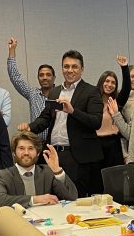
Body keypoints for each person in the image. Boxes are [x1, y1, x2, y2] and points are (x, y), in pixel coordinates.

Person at [18, 50, 104, 197]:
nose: (70, 70)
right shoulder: (55, 91)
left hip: (77, 156)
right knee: (54, 196)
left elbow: (96, 122)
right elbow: (45, 118)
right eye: (66, 66)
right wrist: (30, 127)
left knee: (76, 197)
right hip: (54, 154)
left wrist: (72, 111)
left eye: (74, 67)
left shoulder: (91, 91)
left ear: (82, 69)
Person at [0, 132, 78, 208]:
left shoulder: (47, 172)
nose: (26, 153)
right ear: (13, 153)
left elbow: (72, 197)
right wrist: (34, 199)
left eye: (31, 148)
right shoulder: (2, 175)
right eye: (21, 148)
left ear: (38, 153)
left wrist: (57, 170)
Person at [7, 37, 56, 139]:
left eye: (48, 75)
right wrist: (12, 50)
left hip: (56, 144)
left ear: (54, 78)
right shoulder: (32, 93)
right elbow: (15, 78)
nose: (45, 78)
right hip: (36, 144)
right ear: (38, 78)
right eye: (41, 75)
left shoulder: (62, 94)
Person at [95, 56, 132, 183]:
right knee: (97, 181)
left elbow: (127, 89)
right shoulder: (92, 101)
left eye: (113, 82)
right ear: (101, 82)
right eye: (107, 81)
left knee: (115, 182)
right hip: (96, 144)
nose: (109, 85)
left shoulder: (116, 102)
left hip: (113, 145)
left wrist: (124, 68)